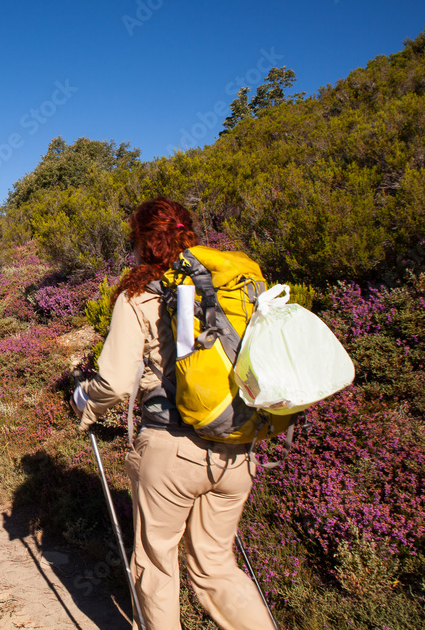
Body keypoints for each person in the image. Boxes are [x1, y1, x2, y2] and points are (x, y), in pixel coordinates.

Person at [70, 197, 275, 630]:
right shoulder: (225, 284)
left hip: (172, 451)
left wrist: (83, 400)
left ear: (143, 242)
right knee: (216, 569)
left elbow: (115, 383)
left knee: (157, 566)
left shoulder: (138, 295)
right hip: (236, 447)